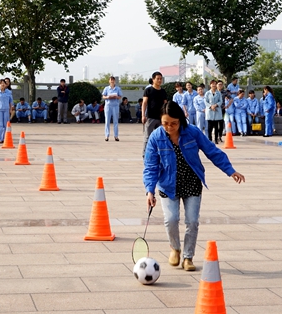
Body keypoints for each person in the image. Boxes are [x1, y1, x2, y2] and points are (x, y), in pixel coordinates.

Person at [143, 101, 245, 271]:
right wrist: (149, 190)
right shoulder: (156, 137)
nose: (169, 127)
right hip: (168, 185)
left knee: (192, 221)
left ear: (181, 120)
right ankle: (174, 248)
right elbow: (150, 166)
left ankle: (188, 257)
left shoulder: (192, 132)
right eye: (165, 123)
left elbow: (212, 151)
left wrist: (230, 170)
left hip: (192, 182)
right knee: (171, 220)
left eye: (173, 123)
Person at [142, 72, 167, 155]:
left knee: (161, 137)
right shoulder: (148, 90)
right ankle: (145, 154)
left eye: (161, 79)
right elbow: (144, 103)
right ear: (153, 79)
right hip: (150, 117)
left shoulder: (163, 91)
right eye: (158, 79)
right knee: (148, 137)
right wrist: (143, 115)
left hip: (161, 118)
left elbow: (165, 104)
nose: (159, 80)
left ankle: (159, 154)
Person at [102, 76, 122, 141]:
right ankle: (106, 136)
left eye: (113, 80)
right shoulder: (106, 88)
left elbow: (120, 96)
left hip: (115, 106)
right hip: (108, 105)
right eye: (111, 80)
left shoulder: (117, 88)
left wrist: (116, 97)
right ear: (109, 81)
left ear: (114, 81)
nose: (112, 81)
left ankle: (116, 136)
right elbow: (103, 96)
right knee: (107, 121)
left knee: (115, 121)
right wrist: (108, 97)